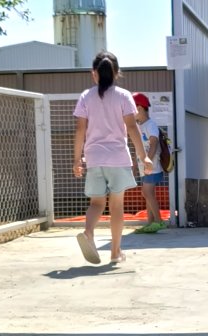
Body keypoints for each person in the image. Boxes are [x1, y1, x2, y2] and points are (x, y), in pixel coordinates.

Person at [72, 51, 152, 265]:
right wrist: (144, 157)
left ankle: (88, 232)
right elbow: (132, 127)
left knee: (96, 202)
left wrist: (77, 160)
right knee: (116, 206)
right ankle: (115, 253)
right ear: (117, 73)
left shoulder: (86, 96)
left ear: (93, 73)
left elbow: (80, 130)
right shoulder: (124, 96)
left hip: (94, 157)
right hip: (118, 158)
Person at [130, 92, 166, 234]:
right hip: (144, 165)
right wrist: (135, 161)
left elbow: (153, 143)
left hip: (152, 165)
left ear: (139, 108)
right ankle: (150, 223)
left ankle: (159, 221)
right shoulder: (139, 125)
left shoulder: (150, 125)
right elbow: (138, 146)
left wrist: (148, 161)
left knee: (147, 192)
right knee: (147, 193)